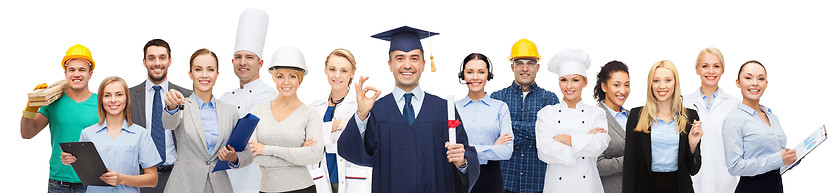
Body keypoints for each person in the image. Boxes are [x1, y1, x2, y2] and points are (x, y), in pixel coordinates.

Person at [337, 26, 479, 193]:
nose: (407, 65)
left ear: (423, 64)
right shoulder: (376, 110)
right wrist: (362, 115)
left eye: (414, 58)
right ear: (390, 65)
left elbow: (465, 154)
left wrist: (462, 162)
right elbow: (352, 152)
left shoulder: (443, 109)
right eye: (400, 58)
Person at [161, 48, 253, 193]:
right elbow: (168, 124)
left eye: (210, 70)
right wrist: (171, 107)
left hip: (219, 187)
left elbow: (248, 154)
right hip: (184, 186)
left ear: (217, 74)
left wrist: (234, 157)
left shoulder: (230, 112)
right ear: (190, 74)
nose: (204, 75)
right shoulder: (180, 105)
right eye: (198, 69)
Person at [60, 76, 162, 193]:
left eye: (119, 94)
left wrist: (121, 179)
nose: (113, 100)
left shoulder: (140, 134)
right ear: (101, 100)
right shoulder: (87, 133)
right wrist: (70, 159)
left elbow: (153, 179)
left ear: (127, 99)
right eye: (107, 95)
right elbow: (85, 172)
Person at [21, 44, 98, 193]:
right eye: (72, 70)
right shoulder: (52, 103)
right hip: (58, 184)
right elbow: (27, 134)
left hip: (92, 184)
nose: (76, 74)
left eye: (82, 70)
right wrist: (30, 109)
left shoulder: (102, 103)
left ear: (91, 73)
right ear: (65, 73)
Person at [246, 46, 325, 193]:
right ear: (274, 78)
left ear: (300, 79)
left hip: (302, 189)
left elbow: (315, 155)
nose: (286, 82)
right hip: (266, 189)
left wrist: (266, 149)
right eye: (280, 76)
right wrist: (298, 153)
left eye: (292, 76)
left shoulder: (310, 115)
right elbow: (251, 155)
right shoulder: (257, 111)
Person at [490, 38, 559, 193]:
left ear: (537, 67)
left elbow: (550, 136)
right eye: (520, 63)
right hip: (504, 181)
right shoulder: (497, 98)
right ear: (512, 66)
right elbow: (493, 136)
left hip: (538, 182)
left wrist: (508, 126)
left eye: (530, 63)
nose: (525, 68)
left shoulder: (550, 99)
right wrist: (536, 130)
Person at [536, 49, 610, 193]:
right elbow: (544, 151)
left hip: (588, 187)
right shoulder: (546, 114)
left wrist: (564, 139)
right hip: (557, 188)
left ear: (585, 82)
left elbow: (599, 145)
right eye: (564, 80)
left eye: (575, 80)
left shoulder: (596, 113)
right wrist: (585, 140)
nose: (569, 86)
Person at [624, 60, 703, 193]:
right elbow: (629, 167)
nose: (662, 86)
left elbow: (693, 170)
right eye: (656, 81)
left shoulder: (690, 116)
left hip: (680, 188)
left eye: (667, 80)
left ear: (675, 83)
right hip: (645, 188)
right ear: (650, 84)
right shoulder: (636, 116)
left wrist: (692, 146)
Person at [219, 9, 276, 193]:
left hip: (254, 179)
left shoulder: (269, 96)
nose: (242, 62)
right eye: (238, 57)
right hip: (222, 179)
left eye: (249, 57)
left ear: (260, 63)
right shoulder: (225, 97)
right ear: (233, 61)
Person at [129, 39, 193, 193]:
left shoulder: (187, 96)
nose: (157, 63)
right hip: (140, 177)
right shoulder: (129, 96)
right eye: (151, 58)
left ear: (169, 61)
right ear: (144, 62)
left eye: (162, 58)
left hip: (177, 176)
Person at [722, 61, 794, 193]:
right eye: (748, 78)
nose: (755, 83)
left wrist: (790, 159)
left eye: (760, 78)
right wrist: (778, 159)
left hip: (776, 187)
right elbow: (735, 167)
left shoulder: (773, 117)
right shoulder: (733, 120)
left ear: (766, 84)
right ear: (738, 83)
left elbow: (772, 157)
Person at [307, 48, 373, 193]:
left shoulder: (360, 106)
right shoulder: (313, 107)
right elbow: (305, 140)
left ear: (352, 73)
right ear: (325, 70)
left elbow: (366, 143)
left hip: (351, 178)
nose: (337, 75)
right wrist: (337, 125)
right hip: (320, 177)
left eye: (344, 71)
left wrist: (321, 130)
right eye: (332, 69)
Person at [455, 53, 514, 193]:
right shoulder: (452, 108)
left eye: (481, 72)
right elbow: (448, 149)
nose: (475, 77)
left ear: (489, 75)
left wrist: (466, 151)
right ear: (463, 75)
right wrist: (492, 148)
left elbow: (506, 152)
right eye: (470, 72)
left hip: (491, 177)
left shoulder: (500, 107)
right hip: (459, 175)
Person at [683, 48, 739, 193]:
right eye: (705, 66)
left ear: (723, 70)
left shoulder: (734, 104)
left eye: (716, 66)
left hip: (724, 180)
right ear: (697, 69)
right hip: (693, 179)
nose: (711, 71)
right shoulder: (683, 103)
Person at [592, 60, 630, 193]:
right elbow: (597, 164)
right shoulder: (594, 118)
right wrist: (631, 159)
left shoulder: (634, 116)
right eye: (616, 85)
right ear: (604, 87)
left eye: (627, 85)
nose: (623, 90)